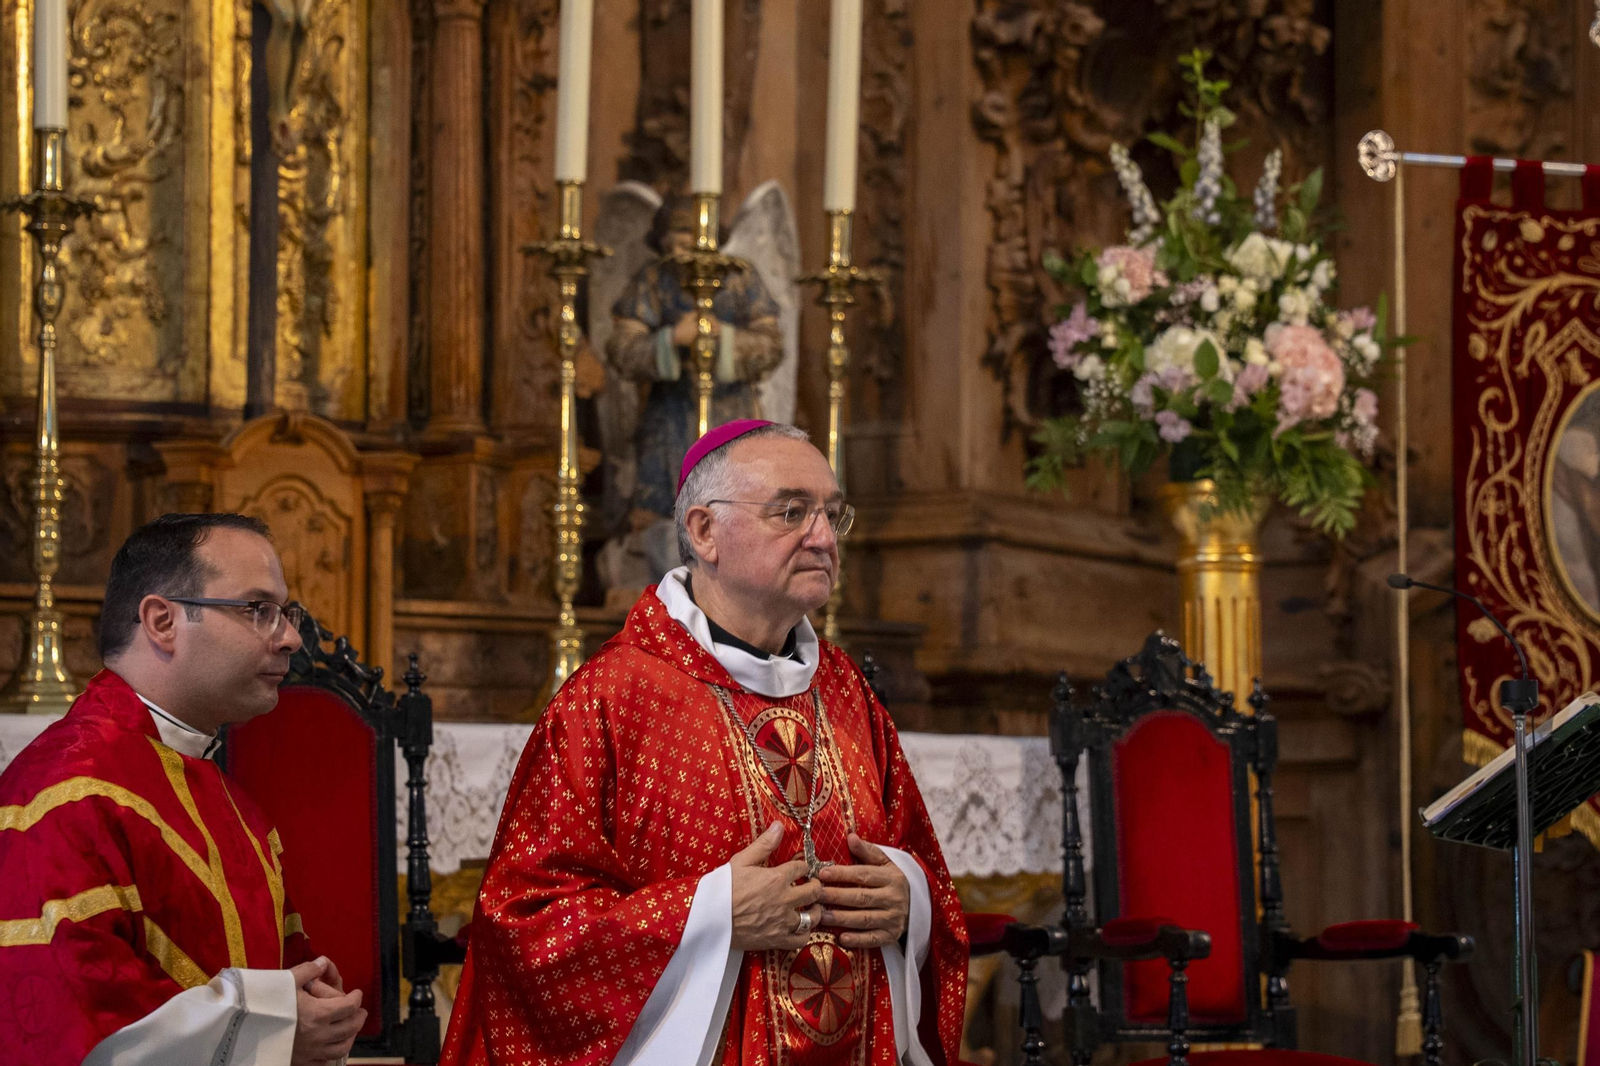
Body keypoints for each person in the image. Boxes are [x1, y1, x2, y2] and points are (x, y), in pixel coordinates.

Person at [442, 420, 968, 1066]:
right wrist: (711, 915)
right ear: (703, 531)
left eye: (833, 514)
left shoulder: (844, 691)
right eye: (792, 511)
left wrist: (908, 900)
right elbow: (525, 926)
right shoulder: (614, 699)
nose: (825, 538)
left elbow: (922, 865)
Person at [0, 513, 367, 1066]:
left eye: (285, 614)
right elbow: (70, 1019)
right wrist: (273, 1030)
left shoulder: (231, 802)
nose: (291, 637)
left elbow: (284, 972)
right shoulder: (66, 791)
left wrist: (313, 1004)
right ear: (162, 621)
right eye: (258, 610)